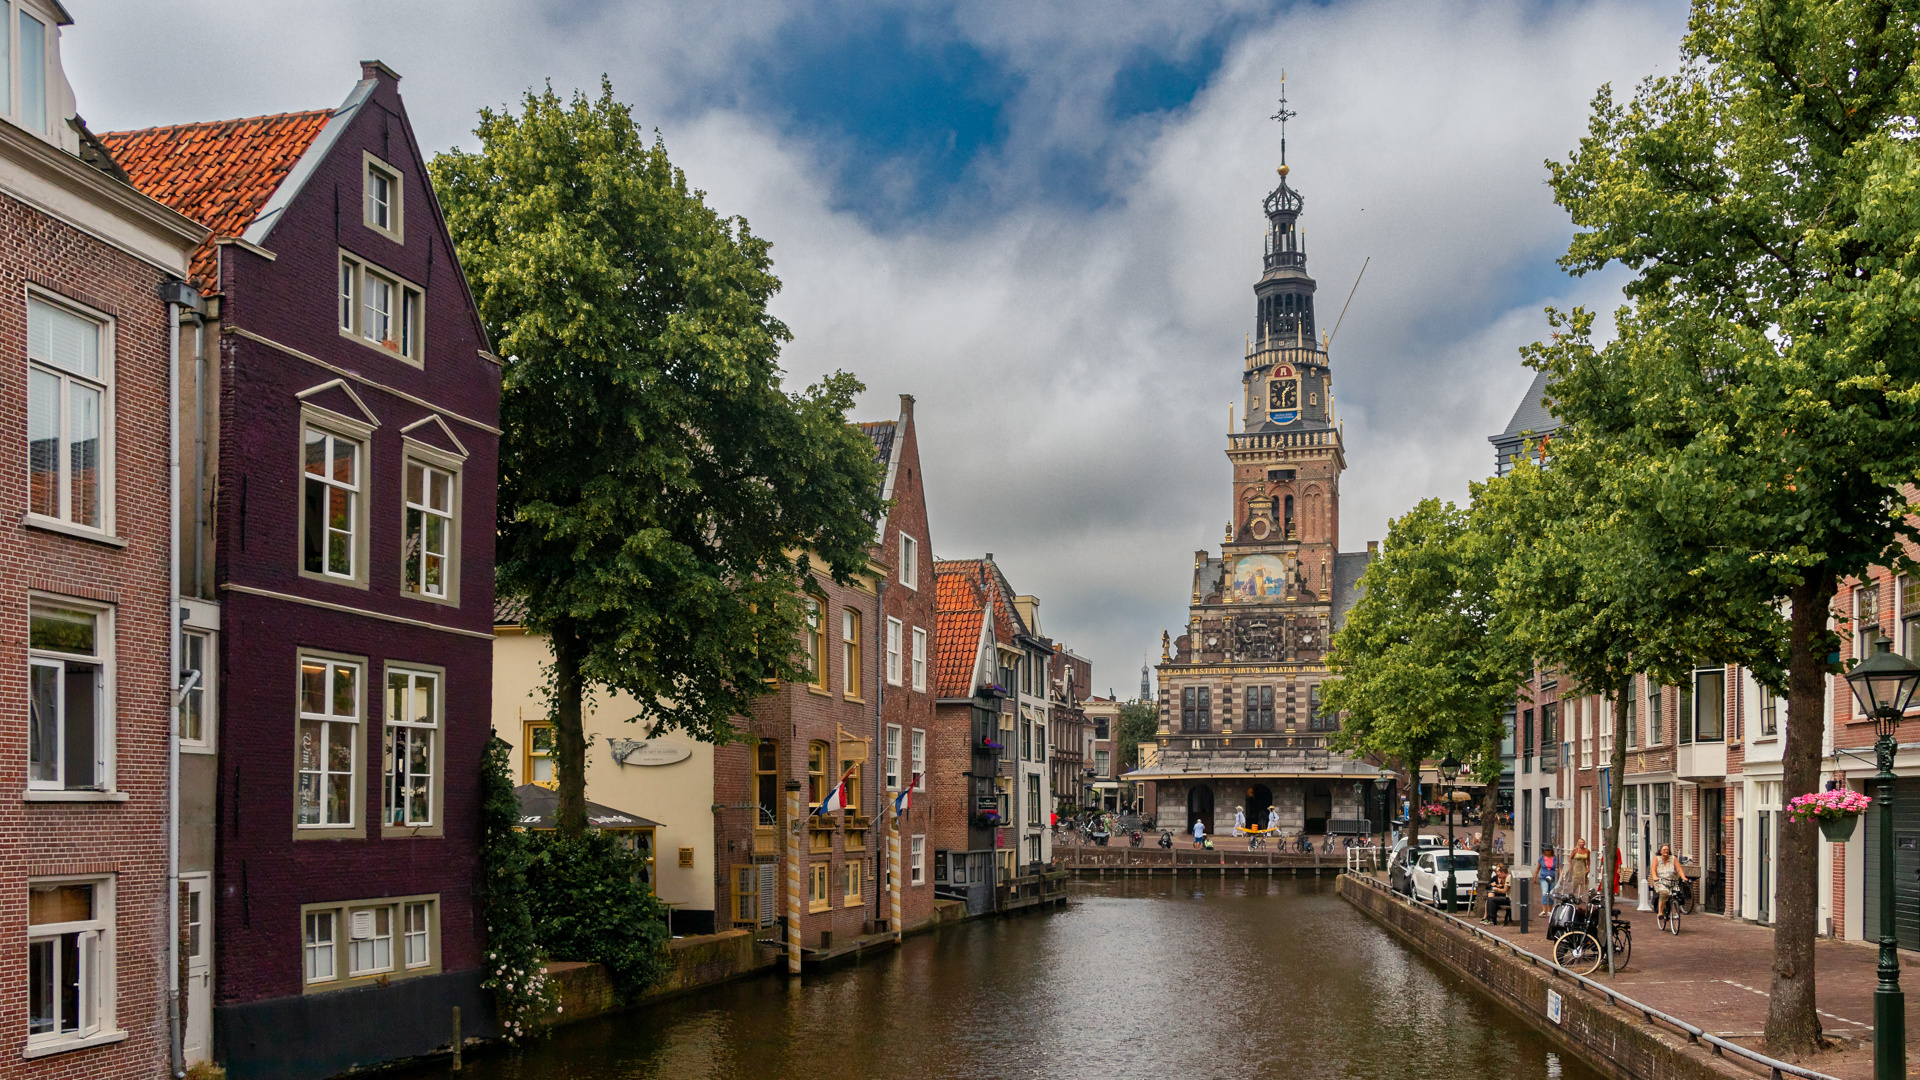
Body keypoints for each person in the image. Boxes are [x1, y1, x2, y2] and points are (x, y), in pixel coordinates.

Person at [1652, 843, 1688, 926]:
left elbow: (1679, 868)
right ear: (1660, 851)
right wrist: (1654, 877)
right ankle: (1660, 913)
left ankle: (1674, 907)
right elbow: (1653, 869)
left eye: (1667, 850)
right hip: (1661, 881)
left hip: (1673, 881)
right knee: (1664, 893)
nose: (1666, 851)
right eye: (1664, 850)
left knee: (1677, 895)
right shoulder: (1657, 859)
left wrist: (1683, 877)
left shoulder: (1673, 858)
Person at [1538, 846, 1557, 915]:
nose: (1547, 852)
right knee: (1544, 892)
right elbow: (1538, 867)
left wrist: (1561, 876)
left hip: (1552, 877)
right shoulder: (1541, 858)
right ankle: (1544, 910)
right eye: (1546, 851)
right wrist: (1535, 876)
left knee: (1551, 893)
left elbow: (1559, 867)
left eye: (1549, 851)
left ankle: (1549, 910)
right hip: (1544, 877)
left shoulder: (1555, 858)